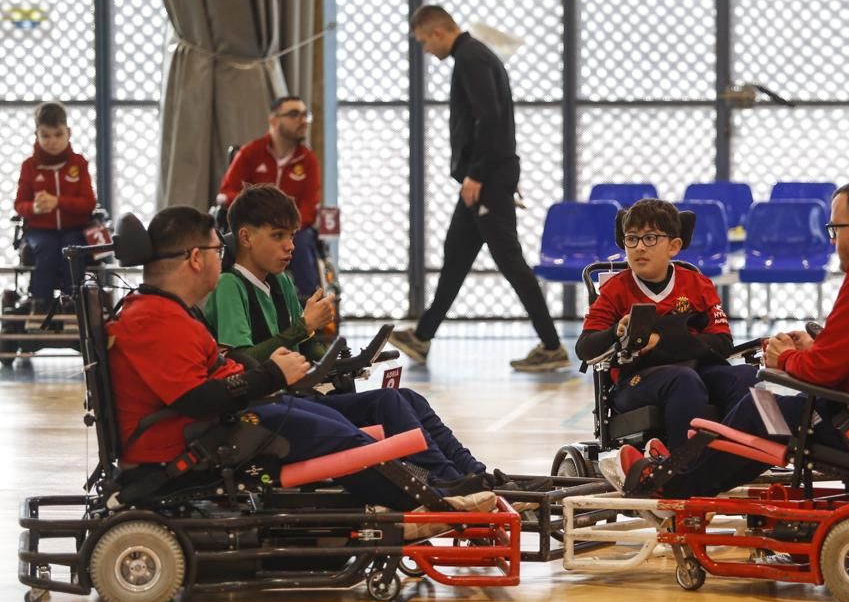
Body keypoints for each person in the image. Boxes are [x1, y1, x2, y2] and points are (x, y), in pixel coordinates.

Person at [106, 206, 494, 531]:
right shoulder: (155, 319)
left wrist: (266, 371)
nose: (220, 256)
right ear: (194, 258)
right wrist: (270, 375)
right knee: (342, 439)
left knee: (358, 420)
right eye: (214, 248)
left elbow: (212, 373)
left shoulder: (170, 313)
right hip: (198, 443)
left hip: (219, 425)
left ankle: (455, 483)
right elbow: (196, 398)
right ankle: (437, 502)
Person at [603, 179, 849, 499]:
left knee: (759, 411)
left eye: (834, 230)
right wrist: (815, 346)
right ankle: (683, 466)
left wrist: (786, 358)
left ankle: (673, 484)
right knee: (762, 404)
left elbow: (823, 372)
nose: (833, 241)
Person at [205, 184, 542, 495]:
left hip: (296, 400)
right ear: (246, 237)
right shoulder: (231, 286)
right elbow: (242, 362)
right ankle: (446, 482)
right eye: (278, 236)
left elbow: (310, 351)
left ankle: (474, 473)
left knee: (409, 398)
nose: (290, 246)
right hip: (263, 412)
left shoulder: (280, 284)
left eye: (291, 235)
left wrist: (343, 360)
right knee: (388, 403)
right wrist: (303, 328)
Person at [389, 5, 569, 373]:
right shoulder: (472, 56)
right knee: (456, 254)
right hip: (483, 179)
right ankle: (422, 337)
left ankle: (552, 346)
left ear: (437, 32)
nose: (425, 50)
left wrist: (476, 174)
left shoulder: (470, 58)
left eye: (424, 41)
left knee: (510, 261)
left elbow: (489, 117)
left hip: (487, 179)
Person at [578, 199, 759, 458]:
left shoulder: (697, 284)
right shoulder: (616, 290)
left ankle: (737, 459)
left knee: (745, 377)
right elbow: (585, 348)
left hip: (695, 368)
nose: (639, 247)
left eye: (650, 238)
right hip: (636, 380)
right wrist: (616, 331)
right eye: (632, 239)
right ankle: (683, 466)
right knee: (683, 380)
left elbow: (722, 343)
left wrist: (661, 341)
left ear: (674, 246)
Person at [216, 95, 322, 300]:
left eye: (305, 115)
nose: (302, 120)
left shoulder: (308, 160)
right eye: (294, 114)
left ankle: (309, 306)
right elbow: (228, 191)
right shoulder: (250, 153)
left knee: (302, 241)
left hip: (293, 230)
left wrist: (282, 228)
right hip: (254, 226)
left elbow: (310, 206)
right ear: (274, 120)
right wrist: (258, 217)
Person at [12, 101, 97, 314]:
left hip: (74, 228)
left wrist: (58, 201)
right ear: (37, 135)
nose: (52, 141)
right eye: (46, 135)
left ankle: (73, 303)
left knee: (73, 250)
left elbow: (88, 204)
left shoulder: (79, 163)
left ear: (68, 132)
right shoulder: (29, 166)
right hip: (39, 230)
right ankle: (40, 305)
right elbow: (20, 205)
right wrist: (35, 208)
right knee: (47, 249)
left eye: (58, 134)